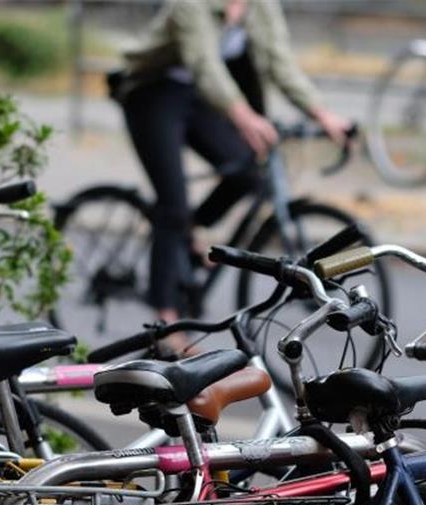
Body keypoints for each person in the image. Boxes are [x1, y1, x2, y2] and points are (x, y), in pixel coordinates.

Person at [113, 0, 352, 340]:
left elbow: (279, 62)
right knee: (173, 203)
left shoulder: (261, 6)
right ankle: (166, 327)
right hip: (152, 91)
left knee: (249, 173)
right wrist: (246, 118)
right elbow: (204, 65)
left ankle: (190, 232)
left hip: (198, 93)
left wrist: (323, 115)